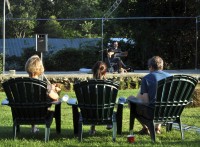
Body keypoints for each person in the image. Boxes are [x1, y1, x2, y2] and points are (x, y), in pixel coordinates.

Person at [127, 56, 171, 135]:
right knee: (161, 102)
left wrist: (138, 96)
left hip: (152, 112)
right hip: (169, 111)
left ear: (150, 67)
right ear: (162, 66)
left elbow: (145, 102)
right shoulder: (170, 77)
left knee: (131, 99)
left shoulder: (147, 78)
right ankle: (157, 127)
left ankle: (146, 128)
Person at [25, 55, 61, 133]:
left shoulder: (20, 85)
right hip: (41, 113)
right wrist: (54, 90)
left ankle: (33, 127)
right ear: (41, 69)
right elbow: (55, 97)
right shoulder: (44, 86)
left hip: (24, 113)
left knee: (32, 105)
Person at [89, 61, 112, 135]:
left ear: (93, 71)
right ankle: (109, 122)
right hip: (106, 113)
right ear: (105, 72)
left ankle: (92, 128)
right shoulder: (110, 86)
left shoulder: (87, 86)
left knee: (92, 105)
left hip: (90, 114)